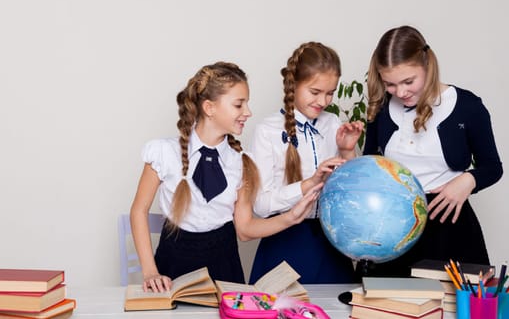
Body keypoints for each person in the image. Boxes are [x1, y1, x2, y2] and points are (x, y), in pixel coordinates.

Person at [130, 61, 322, 292]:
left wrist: (291, 217)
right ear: (209, 108)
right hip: (172, 265)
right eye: (239, 105)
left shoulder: (242, 163)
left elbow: (245, 229)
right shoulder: (162, 152)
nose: (248, 112)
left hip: (225, 267)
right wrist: (150, 271)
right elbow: (139, 211)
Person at [363, 25, 503, 277]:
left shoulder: (468, 106)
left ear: (428, 65)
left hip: (451, 229)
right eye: (390, 84)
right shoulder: (381, 108)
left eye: (408, 81)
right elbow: (369, 165)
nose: (401, 92)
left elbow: (493, 167)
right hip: (394, 232)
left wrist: (467, 181)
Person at [249, 42, 364, 284]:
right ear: (294, 85)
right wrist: (308, 184)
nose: (324, 101)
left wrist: (347, 150)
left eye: (331, 92)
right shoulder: (267, 131)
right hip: (284, 242)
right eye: (315, 92)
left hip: (330, 242)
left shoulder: (333, 123)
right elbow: (260, 205)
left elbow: (353, 193)